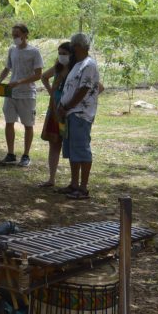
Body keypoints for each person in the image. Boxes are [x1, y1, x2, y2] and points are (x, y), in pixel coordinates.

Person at [57, 33, 101, 200]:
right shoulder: (78, 64)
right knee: (72, 150)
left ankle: (83, 188)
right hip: (69, 113)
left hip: (80, 113)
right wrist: (62, 106)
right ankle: (74, 184)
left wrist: (68, 106)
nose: (72, 49)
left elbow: (83, 90)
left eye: (73, 46)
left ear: (78, 46)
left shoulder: (89, 65)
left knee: (81, 149)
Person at [0, 24, 44, 167]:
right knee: (9, 122)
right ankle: (10, 154)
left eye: (17, 34)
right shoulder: (12, 50)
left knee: (28, 124)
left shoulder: (34, 52)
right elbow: (7, 68)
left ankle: (26, 155)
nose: (15, 37)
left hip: (27, 94)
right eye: (13, 35)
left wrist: (19, 82)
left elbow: (38, 75)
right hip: (11, 92)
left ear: (25, 34)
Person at [37, 42, 73, 188]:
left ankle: (74, 182)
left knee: (71, 145)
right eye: (60, 53)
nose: (61, 56)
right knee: (54, 144)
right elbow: (44, 77)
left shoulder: (76, 69)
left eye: (65, 53)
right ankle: (51, 178)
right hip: (54, 111)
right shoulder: (57, 67)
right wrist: (51, 92)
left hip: (68, 112)